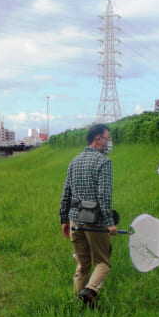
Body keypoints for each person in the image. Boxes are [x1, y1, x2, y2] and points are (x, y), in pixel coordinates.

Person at [59, 124, 118, 307]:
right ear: (97, 139)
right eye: (107, 138)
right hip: (96, 221)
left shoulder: (74, 161)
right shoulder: (103, 162)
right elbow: (104, 195)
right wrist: (110, 223)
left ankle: (75, 302)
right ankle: (90, 291)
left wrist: (64, 220)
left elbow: (66, 193)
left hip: (75, 218)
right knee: (103, 263)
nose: (109, 142)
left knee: (82, 265)